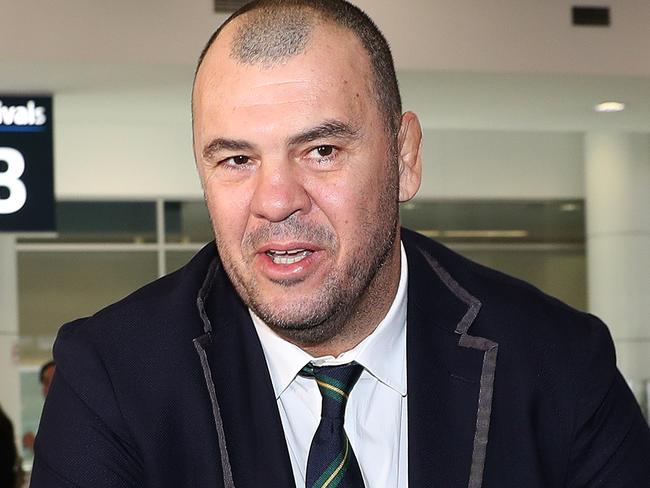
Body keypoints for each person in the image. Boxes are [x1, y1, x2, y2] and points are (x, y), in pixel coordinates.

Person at [32, 1, 650, 487]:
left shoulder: (558, 364)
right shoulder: (111, 377)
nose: (276, 201)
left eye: (321, 151)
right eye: (237, 158)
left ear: (404, 158)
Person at [22, 360, 55, 453]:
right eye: (46, 383)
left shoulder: (76, 416)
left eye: (52, 383)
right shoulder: (51, 418)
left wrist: (34, 445)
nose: (47, 389)